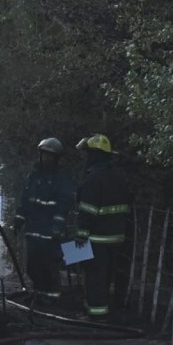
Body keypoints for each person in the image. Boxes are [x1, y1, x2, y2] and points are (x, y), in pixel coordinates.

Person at [74, 134, 132, 321]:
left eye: (88, 153)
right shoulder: (119, 176)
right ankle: (91, 308)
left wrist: (80, 235)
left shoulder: (93, 178)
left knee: (93, 277)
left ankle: (96, 316)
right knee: (106, 277)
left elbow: (87, 210)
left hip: (94, 238)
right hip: (116, 238)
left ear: (94, 155)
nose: (85, 157)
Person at [14, 137, 76, 301]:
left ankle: (52, 296)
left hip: (49, 231)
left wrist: (57, 226)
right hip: (33, 229)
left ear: (56, 158)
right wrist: (19, 218)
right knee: (33, 266)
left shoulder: (62, 179)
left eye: (49, 155)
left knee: (49, 265)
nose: (45, 158)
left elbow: (64, 204)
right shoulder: (34, 176)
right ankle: (39, 294)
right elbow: (25, 199)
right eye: (43, 154)